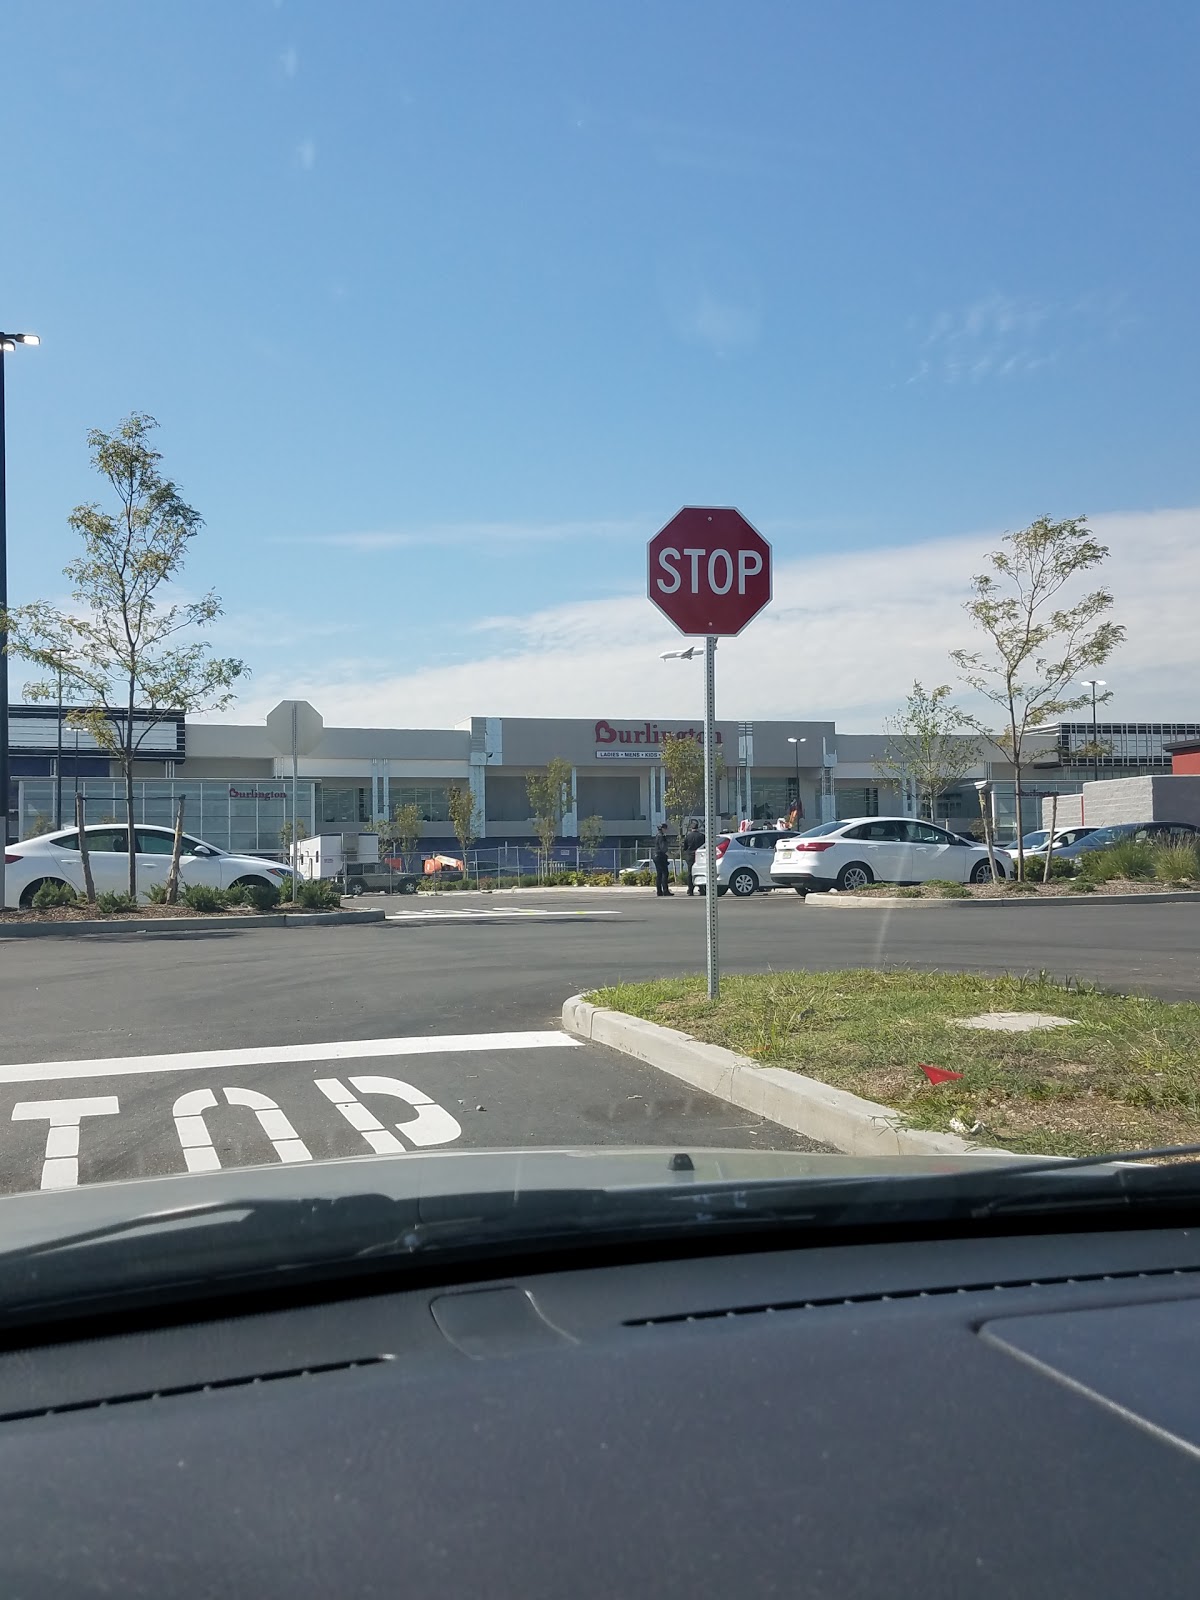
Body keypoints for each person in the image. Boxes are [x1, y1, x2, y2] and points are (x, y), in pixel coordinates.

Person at [682, 818, 704, 896]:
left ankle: (690, 889)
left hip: (690, 855)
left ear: (692, 828)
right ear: (698, 828)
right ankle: (701, 888)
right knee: (700, 872)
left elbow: (684, 847)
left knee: (690, 873)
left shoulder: (688, 836)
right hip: (699, 855)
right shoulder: (702, 836)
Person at [652, 823, 673, 897]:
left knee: (659, 874)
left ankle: (659, 891)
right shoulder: (661, 836)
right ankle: (665, 890)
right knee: (665, 873)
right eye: (666, 828)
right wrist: (669, 854)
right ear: (663, 828)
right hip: (660, 856)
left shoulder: (658, 835)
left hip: (656, 856)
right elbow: (663, 847)